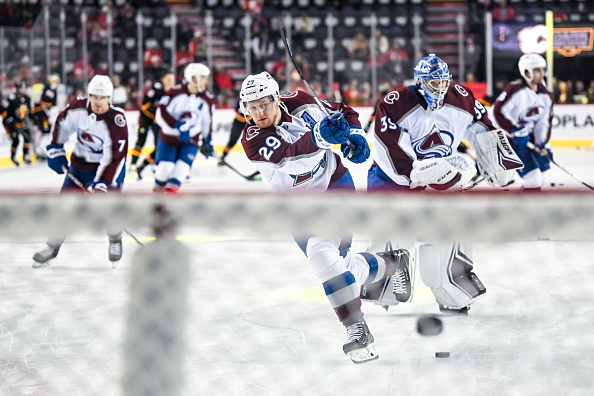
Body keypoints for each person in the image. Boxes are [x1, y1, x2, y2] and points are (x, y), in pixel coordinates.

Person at [239, 71, 412, 364]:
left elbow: (345, 112)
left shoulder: (303, 102)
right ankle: (392, 262)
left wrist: (354, 137)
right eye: (252, 107)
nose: (259, 113)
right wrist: (320, 136)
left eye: (264, 104)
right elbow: (293, 161)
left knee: (321, 257)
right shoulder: (253, 138)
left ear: (277, 98)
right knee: (337, 268)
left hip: (335, 190)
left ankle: (356, 328)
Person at [368, 54, 523, 313]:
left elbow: (483, 126)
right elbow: (389, 149)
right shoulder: (395, 104)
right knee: (394, 232)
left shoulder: (462, 97)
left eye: (443, 82)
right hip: (392, 178)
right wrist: (420, 176)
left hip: (441, 175)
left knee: (446, 232)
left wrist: (498, 160)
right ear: (420, 82)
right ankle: (394, 267)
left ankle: (451, 287)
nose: (439, 88)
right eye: (432, 83)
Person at [32, 75, 129, 268]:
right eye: (95, 97)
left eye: (103, 98)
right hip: (80, 166)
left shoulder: (117, 120)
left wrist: (102, 183)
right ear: (89, 95)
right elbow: (61, 124)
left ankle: (115, 240)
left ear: (109, 98)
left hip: (110, 169)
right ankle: (52, 246)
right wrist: (56, 150)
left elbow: (114, 158)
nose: (98, 102)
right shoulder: (77, 106)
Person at [493, 54, 554, 190]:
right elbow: (497, 112)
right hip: (512, 142)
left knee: (544, 179)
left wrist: (543, 143)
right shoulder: (514, 89)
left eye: (542, 70)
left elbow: (544, 122)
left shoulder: (547, 95)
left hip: (531, 143)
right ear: (527, 73)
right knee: (534, 180)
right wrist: (514, 130)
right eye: (537, 70)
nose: (541, 73)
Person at [153, 63, 214, 193]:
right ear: (193, 78)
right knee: (164, 170)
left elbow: (206, 122)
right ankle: (156, 198)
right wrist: (177, 126)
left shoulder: (206, 100)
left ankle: (169, 203)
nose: (206, 82)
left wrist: (207, 140)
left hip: (190, 142)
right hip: (169, 140)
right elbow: (160, 115)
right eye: (203, 78)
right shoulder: (174, 93)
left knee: (181, 171)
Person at [130, 71, 175, 179]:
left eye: (172, 80)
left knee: (159, 144)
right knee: (141, 140)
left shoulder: (172, 92)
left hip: (157, 120)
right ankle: (132, 165)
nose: (170, 82)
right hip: (146, 117)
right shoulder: (156, 87)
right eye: (168, 79)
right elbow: (145, 104)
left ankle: (145, 165)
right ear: (163, 79)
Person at [2, 81, 33, 166]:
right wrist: (8, 120)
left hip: (22, 122)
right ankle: (13, 156)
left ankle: (25, 155)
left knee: (28, 138)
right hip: (11, 122)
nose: (23, 90)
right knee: (16, 140)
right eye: (22, 88)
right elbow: (3, 109)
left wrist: (35, 118)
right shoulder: (11, 98)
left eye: (24, 88)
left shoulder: (27, 98)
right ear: (18, 89)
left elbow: (29, 111)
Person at [218, 101, 249, 165]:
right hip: (238, 121)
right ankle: (223, 156)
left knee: (255, 139)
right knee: (232, 140)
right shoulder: (241, 99)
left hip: (249, 121)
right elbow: (236, 108)